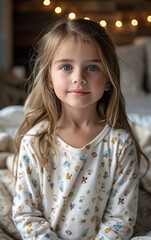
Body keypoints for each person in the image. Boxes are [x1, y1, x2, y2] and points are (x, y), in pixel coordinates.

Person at [12, 18, 143, 240]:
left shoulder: (120, 144)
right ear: (50, 80)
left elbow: (119, 220)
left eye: (92, 67)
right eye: (66, 67)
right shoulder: (35, 140)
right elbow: (26, 213)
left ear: (109, 79)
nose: (79, 78)